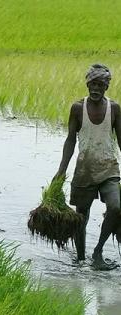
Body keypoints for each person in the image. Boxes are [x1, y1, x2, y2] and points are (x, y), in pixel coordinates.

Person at [55, 64, 121, 270]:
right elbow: (70, 141)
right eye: (92, 84)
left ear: (106, 87)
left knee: (116, 207)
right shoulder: (77, 108)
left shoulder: (114, 109)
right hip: (84, 170)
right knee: (81, 218)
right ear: (87, 84)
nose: (95, 88)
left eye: (100, 85)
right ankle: (80, 260)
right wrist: (61, 170)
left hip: (109, 168)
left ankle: (98, 252)